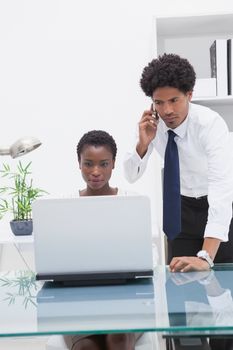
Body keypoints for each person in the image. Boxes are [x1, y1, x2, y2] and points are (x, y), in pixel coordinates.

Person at [123, 53, 233, 273]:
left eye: (174, 100)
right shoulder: (152, 125)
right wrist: (143, 143)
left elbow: (222, 188)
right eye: (159, 103)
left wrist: (206, 256)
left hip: (218, 207)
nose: (167, 111)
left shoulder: (210, 125)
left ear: (189, 95)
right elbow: (131, 175)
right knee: (180, 281)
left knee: (222, 286)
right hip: (180, 210)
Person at [64, 129, 142, 350]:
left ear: (114, 163)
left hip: (126, 298)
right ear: (79, 163)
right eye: (88, 163)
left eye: (104, 164)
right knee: (86, 347)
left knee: (117, 341)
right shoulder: (65, 205)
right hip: (77, 301)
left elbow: (146, 255)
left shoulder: (131, 201)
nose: (95, 171)